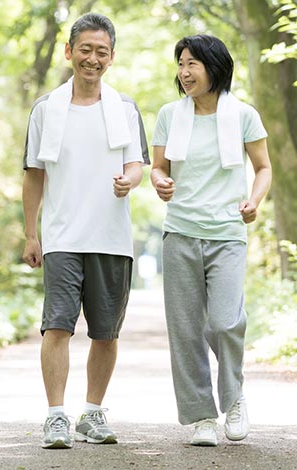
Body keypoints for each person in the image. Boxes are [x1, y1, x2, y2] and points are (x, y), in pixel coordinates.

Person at [21, 12, 148, 449]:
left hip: (112, 238)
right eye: (85, 49)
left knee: (106, 334)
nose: (92, 59)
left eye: (102, 51)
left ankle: (92, 413)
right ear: (69, 52)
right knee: (56, 327)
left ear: (111, 57)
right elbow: (34, 174)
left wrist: (130, 180)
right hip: (62, 237)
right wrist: (31, 233)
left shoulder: (125, 108)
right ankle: (55, 416)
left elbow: (137, 164)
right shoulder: (46, 108)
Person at [150, 34, 272, 447]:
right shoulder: (170, 115)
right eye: (181, 64)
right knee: (185, 330)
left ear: (215, 67)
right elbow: (159, 166)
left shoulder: (244, 115)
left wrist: (254, 201)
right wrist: (160, 182)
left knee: (224, 322)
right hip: (181, 232)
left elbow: (263, 167)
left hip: (227, 234)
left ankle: (234, 398)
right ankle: (201, 416)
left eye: (193, 64)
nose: (184, 72)